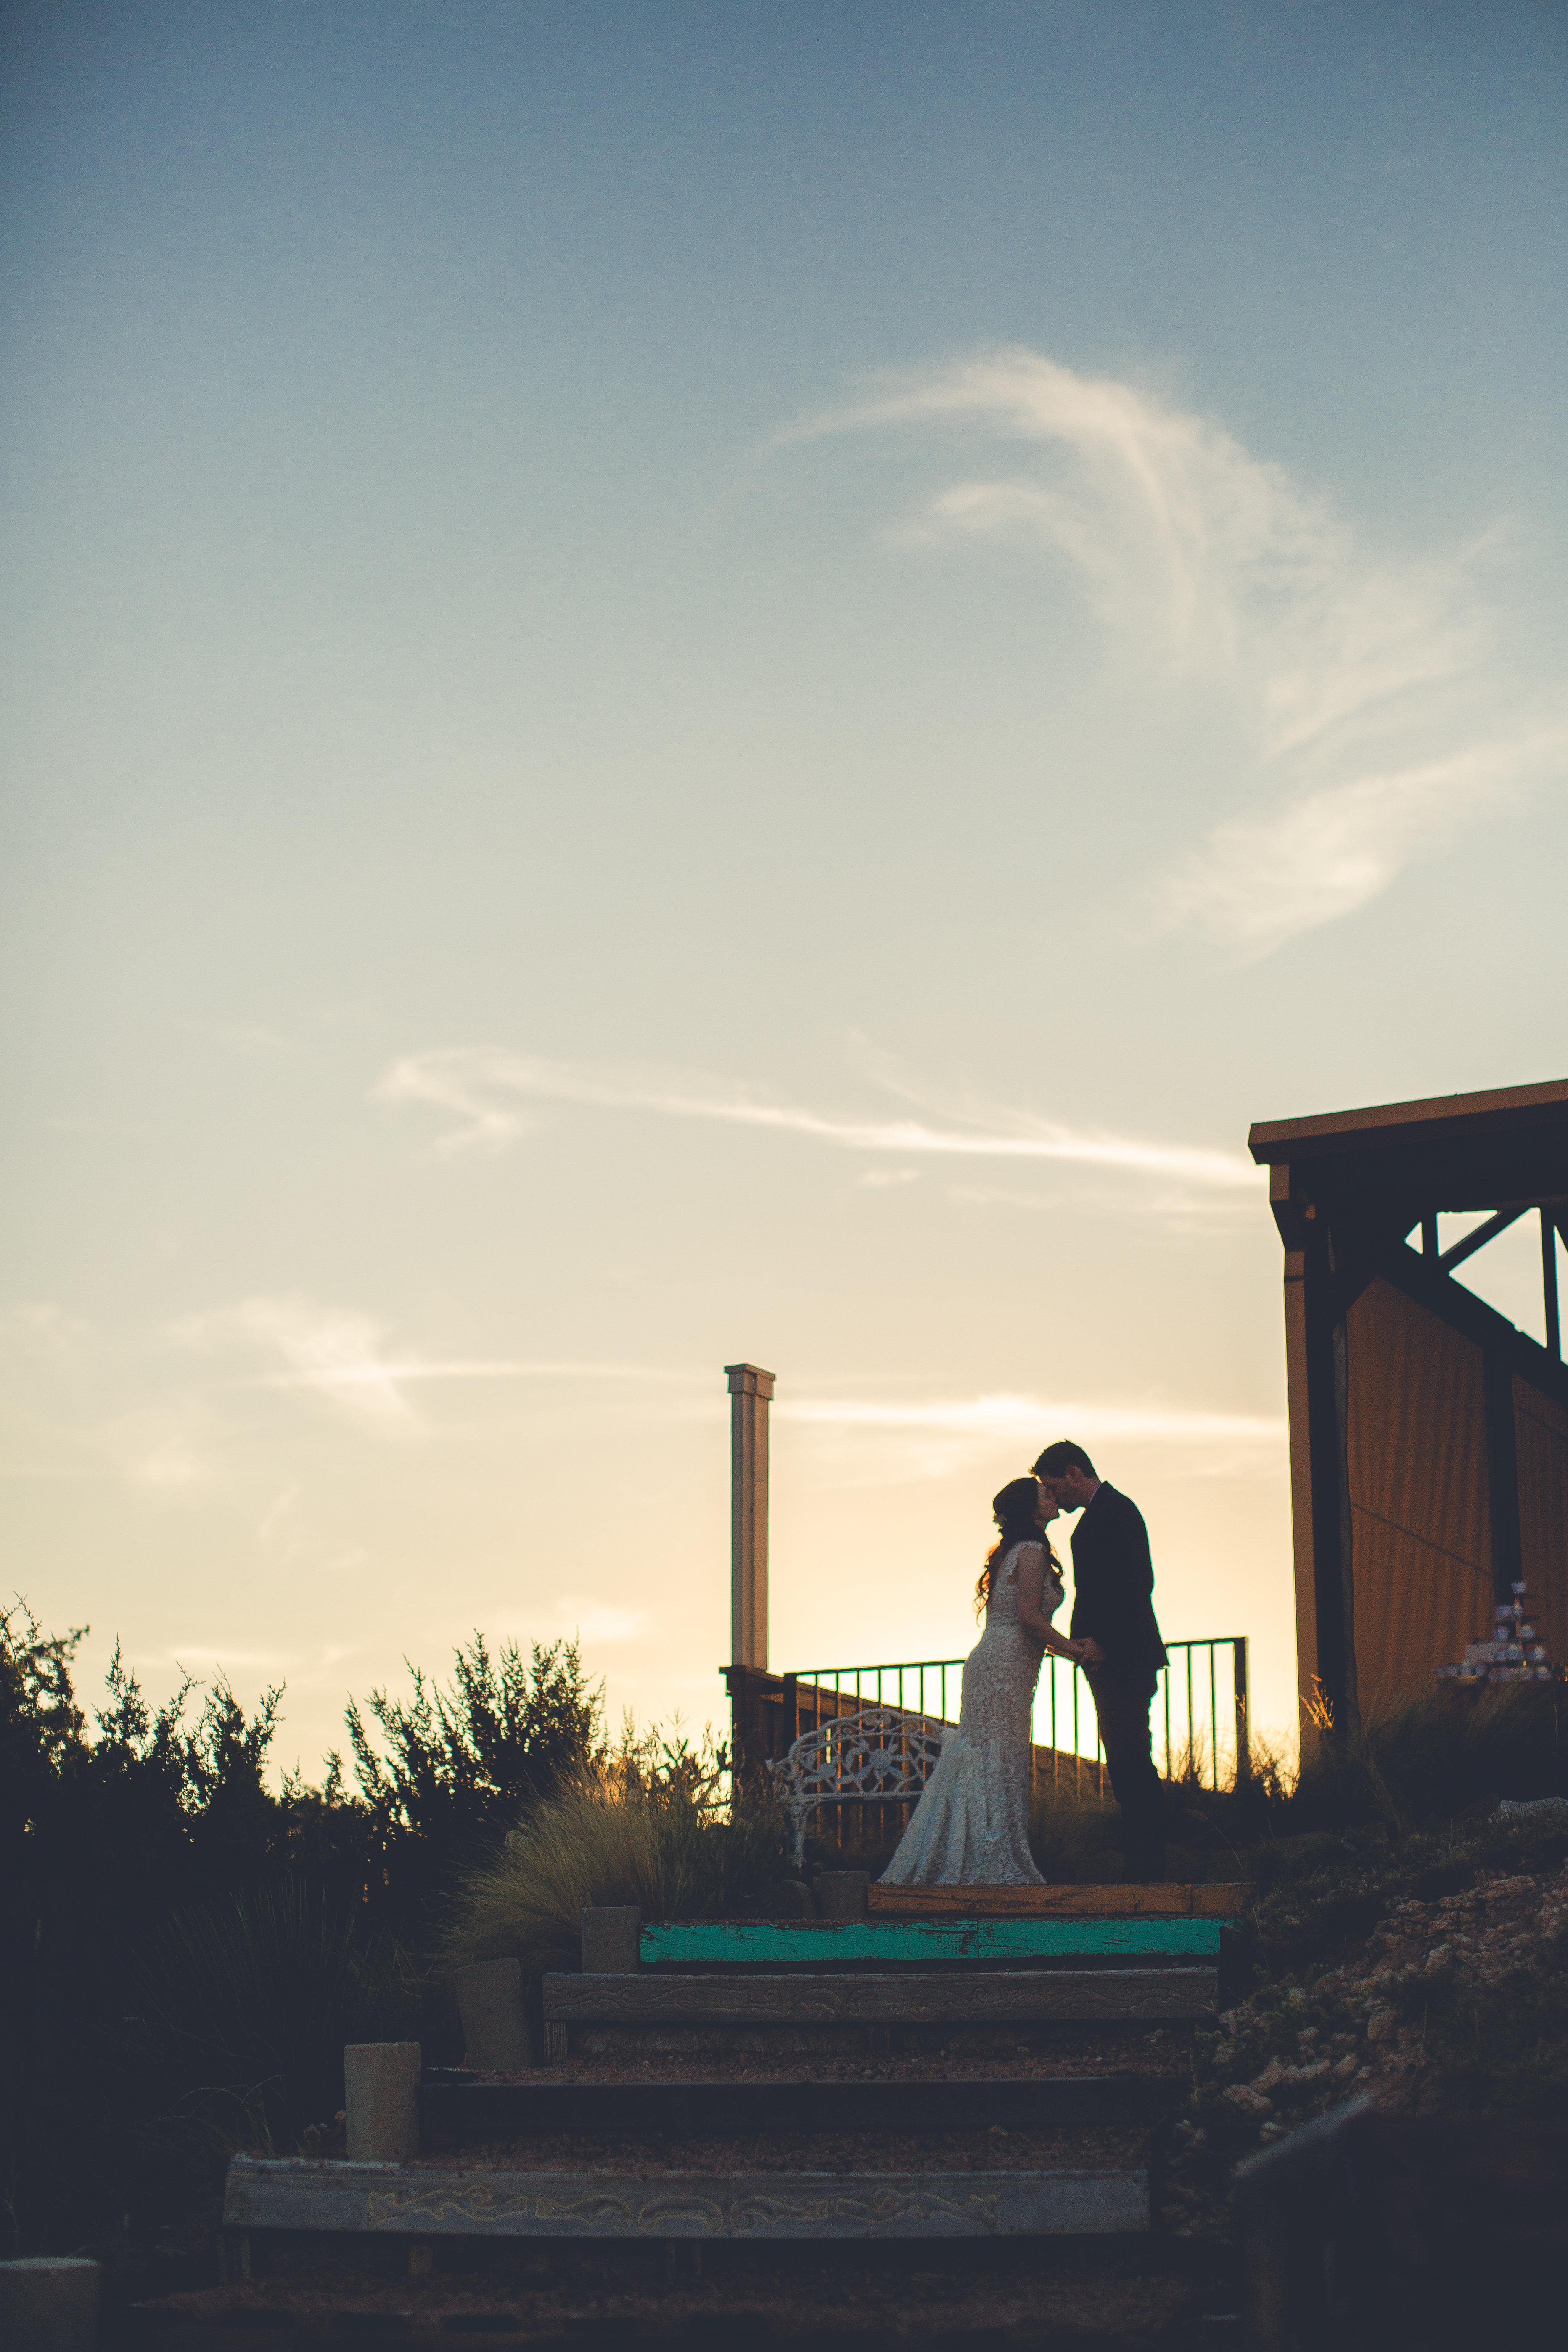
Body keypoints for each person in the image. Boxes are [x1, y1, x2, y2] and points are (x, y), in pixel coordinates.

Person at [878, 1477, 1085, 1886]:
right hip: (1003, 1666)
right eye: (1046, 1494)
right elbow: (1028, 1617)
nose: (1054, 1496)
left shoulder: (1013, 1550)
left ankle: (979, 1850)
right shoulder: (1032, 1551)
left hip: (1002, 1664)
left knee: (990, 1754)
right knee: (994, 1755)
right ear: (1031, 1509)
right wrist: (1075, 1649)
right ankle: (987, 1858)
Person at [1033, 1440, 1168, 1882]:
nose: (1055, 1497)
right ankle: (1144, 1858)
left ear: (1075, 1472)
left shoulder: (1117, 1511)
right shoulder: (1104, 1513)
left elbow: (1136, 1583)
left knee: (1131, 1758)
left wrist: (1104, 1642)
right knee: (1125, 1759)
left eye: (1055, 1485)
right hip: (1110, 1660)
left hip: (1124, 1657)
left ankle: (1148, 1863)